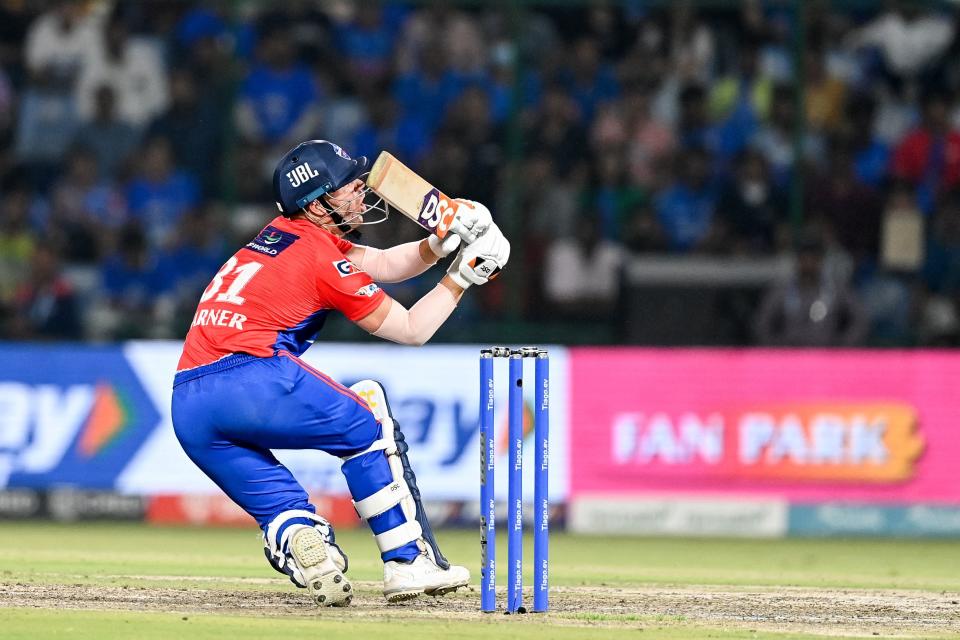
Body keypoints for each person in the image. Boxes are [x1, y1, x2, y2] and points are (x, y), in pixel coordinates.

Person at [170, 140, 508, 607]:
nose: (361, 192)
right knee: (369, 417)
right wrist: (464, 275)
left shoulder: (282, 235)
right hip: (253, 376)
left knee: (284, 506)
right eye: (349, 186)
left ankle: (311, 550)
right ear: (317, 202)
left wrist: (439, 243)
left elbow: (388, 264)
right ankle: (409, 561)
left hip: (189, 405)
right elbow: (411, 329)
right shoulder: (320, 257)